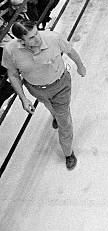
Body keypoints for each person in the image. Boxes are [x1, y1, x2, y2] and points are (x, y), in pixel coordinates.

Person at [1, 21, 87, 170]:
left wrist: (80, 66)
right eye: (32, 37)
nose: (38, 38)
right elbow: (13, 74)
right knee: (47, 105)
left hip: (61, 86)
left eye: (37, 33)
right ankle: (54, 115)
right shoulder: (10, 50)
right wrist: (23, 98)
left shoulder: (53, 38)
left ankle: (68, 152)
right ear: (21, 41)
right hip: (36, 89)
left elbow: (70, 51)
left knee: (64, 120)